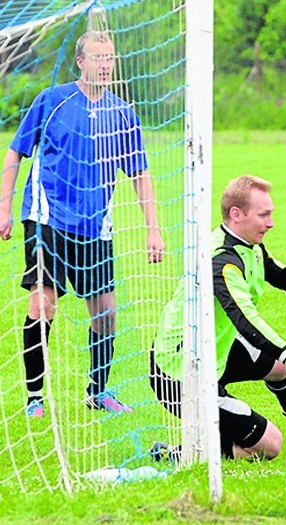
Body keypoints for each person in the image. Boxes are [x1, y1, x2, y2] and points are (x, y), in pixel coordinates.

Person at [0, 30, 165, 417]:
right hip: (46, 217)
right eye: (98, 57)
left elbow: (140, 174)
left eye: (110, 58)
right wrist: (4, 208)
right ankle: (35, 397)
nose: (105, 65)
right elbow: (16, 151)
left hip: (95, 227)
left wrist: (153, 228)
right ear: (81, 61)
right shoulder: (52, 101)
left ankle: (98, 391)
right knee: (43, 304)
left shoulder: (122, 114)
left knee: (106, 313)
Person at [150, 175, 286, 461]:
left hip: (212, 350)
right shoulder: (222, 260)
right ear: (236, 214)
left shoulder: (248, 246)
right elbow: (246, 320)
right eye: (264, 215)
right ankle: (179, 453)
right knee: (270, 445)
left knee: (278, 365)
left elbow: (285, 276)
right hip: (180, 373)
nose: (271, 222)